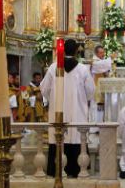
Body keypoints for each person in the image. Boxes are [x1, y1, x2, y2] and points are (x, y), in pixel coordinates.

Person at [40, 39, 95, 177]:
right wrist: (82, 99)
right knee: (76, 137)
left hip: (58, 113)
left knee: (58, 137)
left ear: (63, 50)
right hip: (77, 113)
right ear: (77, 51)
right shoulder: (83, 69)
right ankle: (76, 169)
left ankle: (56, 169)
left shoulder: (54, 68)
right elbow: (90, 91)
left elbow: (44, 89)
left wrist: (53, 98)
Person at [91, 45, 112, 123]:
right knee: (96, 106)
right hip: (96, 87)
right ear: (96, 53)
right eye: (101, 52)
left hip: (103, 86)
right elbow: (101, 65)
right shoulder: (94, 61)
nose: (103, 54)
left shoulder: (102, 61)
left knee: (103, 106)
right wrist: (110, 59)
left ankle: (102, 123)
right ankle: (94, 126)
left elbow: (106, 69)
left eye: (103, 52)